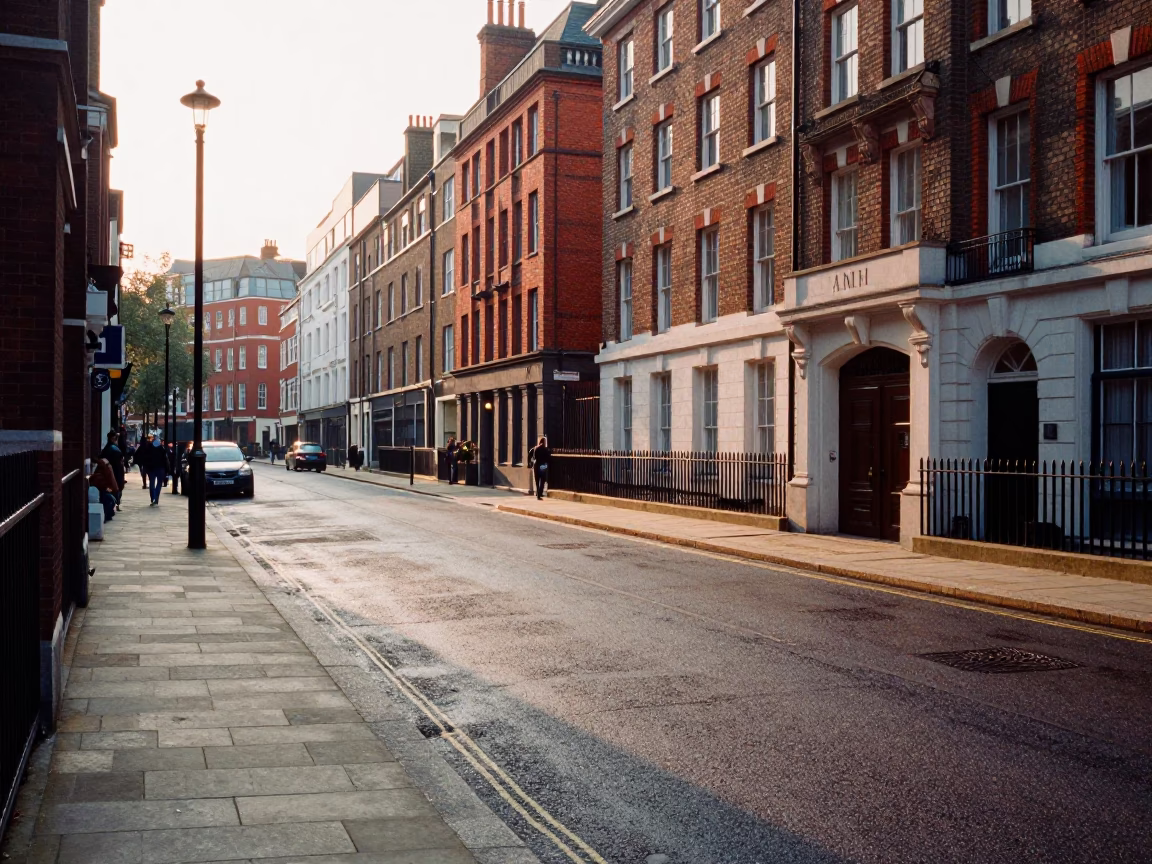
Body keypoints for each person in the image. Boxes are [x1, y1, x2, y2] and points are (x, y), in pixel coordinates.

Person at [136, 436, 169, 506]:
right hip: (160, 468)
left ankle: (153, 498)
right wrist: (167, 470)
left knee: (152, 483)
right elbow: (165, 460)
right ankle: (156, 498)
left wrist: (146, 467)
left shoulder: (149, 448)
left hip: (151, 468)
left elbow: (145, 458)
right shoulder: (162, 449)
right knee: (159, 483)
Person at [100, 431, 126, 511]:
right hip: (115, 471)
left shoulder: (107, 448)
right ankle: (115, 504)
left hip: (111, 471)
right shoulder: (114, 449)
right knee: (117, 487)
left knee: (113, 487)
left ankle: (115, 503)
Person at [88, 458, 119, 522]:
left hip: (103, 491)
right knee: (109, 500)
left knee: (108, 500)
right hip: (104, 491)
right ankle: (108, 514)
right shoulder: (104, 471)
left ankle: (107, 514)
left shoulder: (101, 472)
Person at [529, 436, 550, 500]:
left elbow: (531, 455)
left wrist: (530, 463)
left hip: (536, 464)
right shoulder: (545, 449)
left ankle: (538, 493)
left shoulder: (535, 448)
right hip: (542, 465)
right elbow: (548, 458)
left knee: (537, 480)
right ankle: (540, 493)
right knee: (542, 479)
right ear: (544, 442)